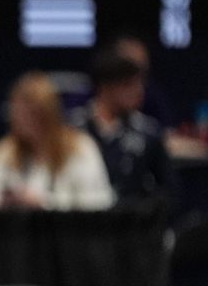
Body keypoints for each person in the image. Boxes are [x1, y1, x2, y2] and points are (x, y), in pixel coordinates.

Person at [0, 71, 114, 211]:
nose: (23, 121)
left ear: (47, 114)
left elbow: (99, 203)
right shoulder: (6, 150)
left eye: (31, 114)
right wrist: (7, 201)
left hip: (69, 230)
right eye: (19, 114)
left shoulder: (80, 147)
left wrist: (44, 203)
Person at [76, 47, 177, 206]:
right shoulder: (73, 131)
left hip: (134, 226)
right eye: (128, 85)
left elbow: (169, 192)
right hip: (82, 224)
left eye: (140, 83)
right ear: (105, 87)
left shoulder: (149, 134)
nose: (139, 91)